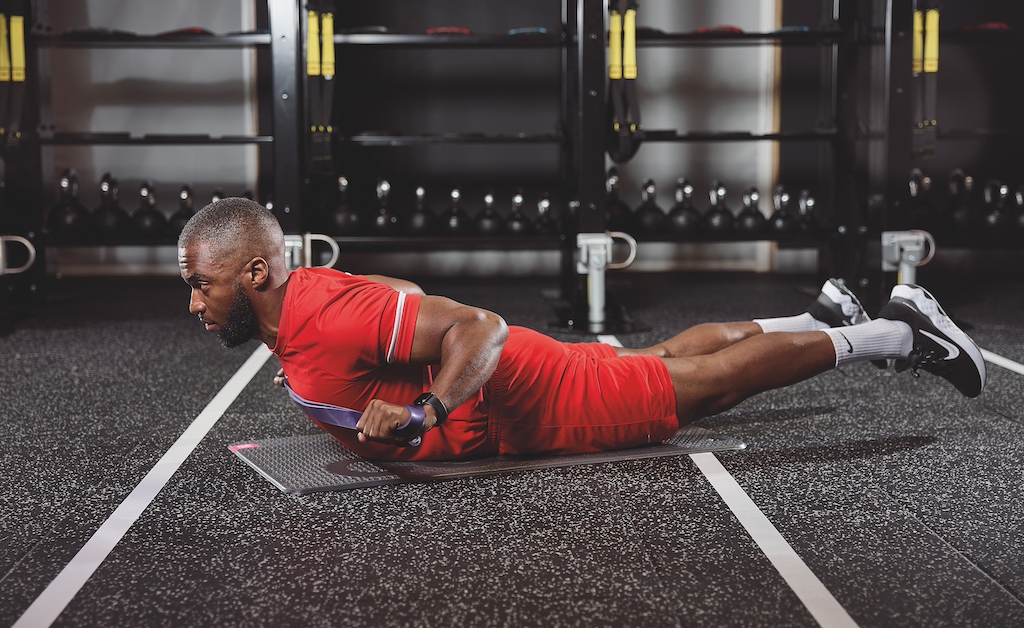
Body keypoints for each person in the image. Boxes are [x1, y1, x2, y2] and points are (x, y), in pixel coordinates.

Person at [177, 198, 986, 462]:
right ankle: (820, 315)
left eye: (200, 284)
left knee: (701, 387)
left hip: (526, 398)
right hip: (514, 387)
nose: (195, 303)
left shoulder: (322, 310)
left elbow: (482, 328)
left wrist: (426, 409)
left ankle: (895, 332)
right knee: (664, 357)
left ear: (255, 274)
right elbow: (404, 295)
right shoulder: (304, 310)